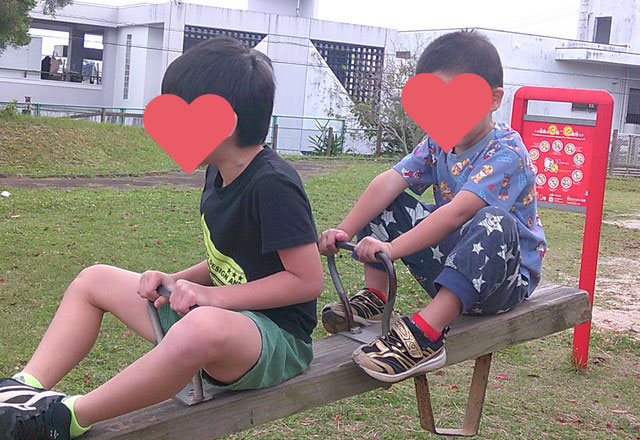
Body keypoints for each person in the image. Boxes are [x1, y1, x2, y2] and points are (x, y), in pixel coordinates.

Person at [0, 36, 324, 439]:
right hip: (215, 317)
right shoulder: (219, 171)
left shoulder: (273, 184)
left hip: (275, 341)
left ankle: (63, 418)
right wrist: (178, 279)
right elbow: (233, 258)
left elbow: (306, 281)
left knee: (202, 326)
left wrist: (214, 298)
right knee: (94, 279)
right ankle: (23, 388)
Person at [319, 30, 547, 383]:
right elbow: (391, 180)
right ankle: (375, 296)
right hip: (453, 266)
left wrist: (392, 248)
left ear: (493, 98)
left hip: (503, 279)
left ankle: (426, 335)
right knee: (388, 199)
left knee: (493, 220)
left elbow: (459, 212)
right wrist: (345, 230)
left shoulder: (507, 152)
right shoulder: (438, 143)